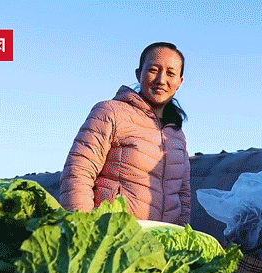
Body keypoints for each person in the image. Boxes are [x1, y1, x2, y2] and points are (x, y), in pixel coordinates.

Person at [59, 42, 191, 226]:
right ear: (139, 74)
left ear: (180, 82)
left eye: (170, 73)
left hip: (160, 243)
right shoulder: (110, 112)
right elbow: (79, 171)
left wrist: (182, 237)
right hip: (112, 236)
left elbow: (183, 195)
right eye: (153, 70)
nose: (161, 79)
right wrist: (81, 229)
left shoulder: (177, 135)